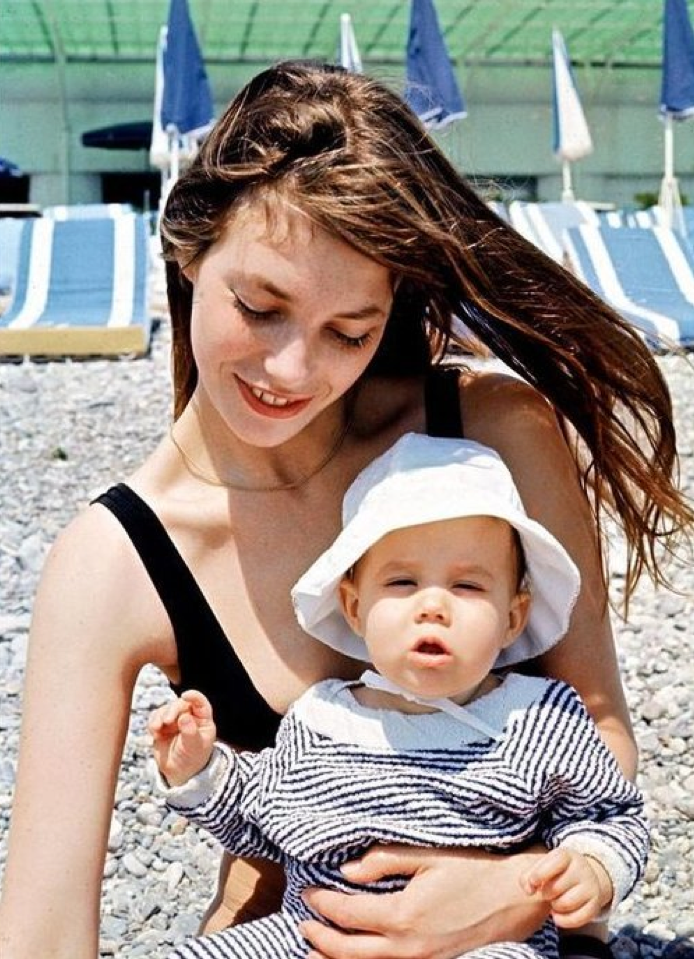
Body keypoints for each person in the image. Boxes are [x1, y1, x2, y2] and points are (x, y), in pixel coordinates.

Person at [0, 59, 690, 959]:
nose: (291, 371)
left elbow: (599, 734)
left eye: (348, 333)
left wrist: (506, 894)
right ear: (187, 248)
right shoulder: (117, 559)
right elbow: (42, 933)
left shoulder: (486, 433)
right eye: (259, 306)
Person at [149, 434, 650, 959]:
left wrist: (592, 866)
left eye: (468, 587)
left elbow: (612, 814)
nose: (433, 605)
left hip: (478, 942)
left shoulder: (536, 718)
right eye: (404, 582)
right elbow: (260, 816)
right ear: (354, 606)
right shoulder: (323, 719)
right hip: (314, 932)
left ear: (513, 617)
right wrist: (199, 769)